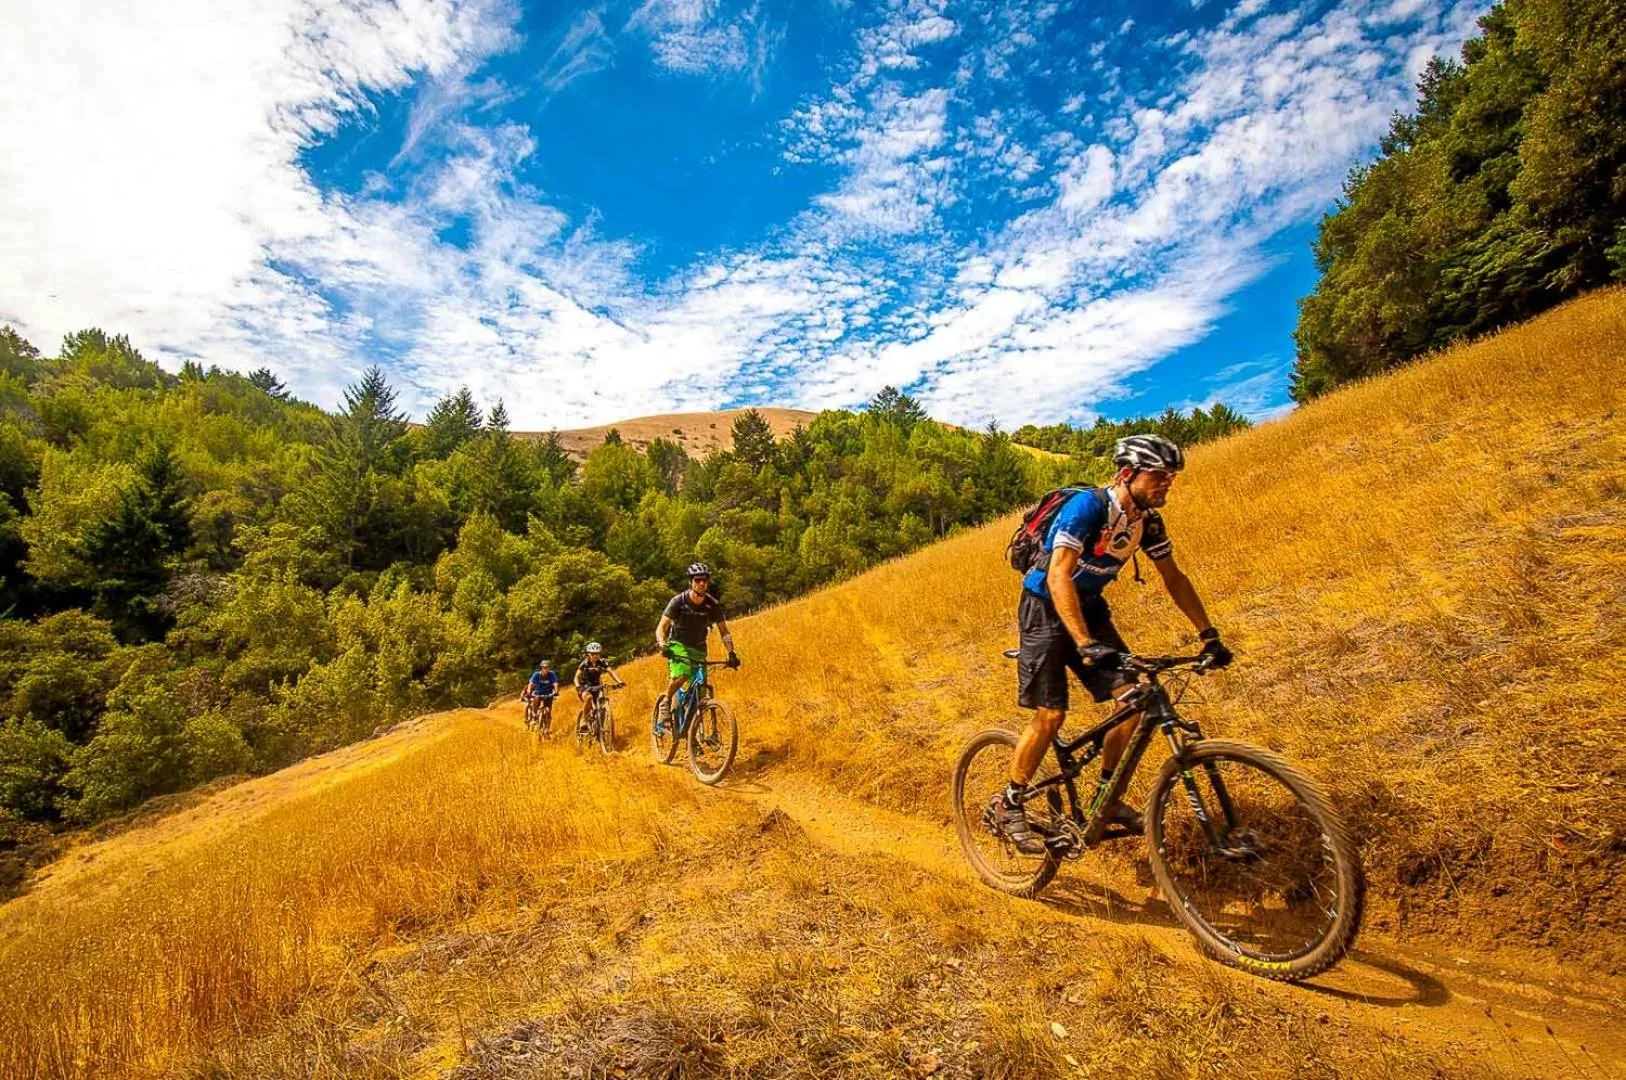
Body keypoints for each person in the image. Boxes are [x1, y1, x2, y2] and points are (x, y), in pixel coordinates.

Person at [995, 434, 1233, 854]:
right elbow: (1057, 576)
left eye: (1171, 478)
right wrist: (1084, 643)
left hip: (1089, 606)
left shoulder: (1147, 522)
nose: (1166, 484)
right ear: (1128, 474)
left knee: (1133, 700)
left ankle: (1105, 798)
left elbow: (1173, 578)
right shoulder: (1087, 508)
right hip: (1044, 608)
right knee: (1051, 715)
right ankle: (1010, 803)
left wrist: (1208, 634)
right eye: (1158, 476)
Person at [654, 563, 738, 732]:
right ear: (691, 582)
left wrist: (731, 653)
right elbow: (661, 627)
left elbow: (724, 631)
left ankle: (692, 734)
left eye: (705, 580)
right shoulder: (679, 601)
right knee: (683, 672)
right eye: (698, 580)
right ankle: (666, 702)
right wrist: (663, 645)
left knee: (700, 691)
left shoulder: (712, 605)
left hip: (699, 648)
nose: (702, 583)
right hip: (678, 645)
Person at [573, 643, 624, 732]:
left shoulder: (602, 663)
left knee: (600, 704)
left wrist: (619, 681)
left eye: (597, 654)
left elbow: (611, 672)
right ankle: (584, 721)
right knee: (589, 698)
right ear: (588, 654)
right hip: (585, 687)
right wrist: (577, 686)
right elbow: (576, 677)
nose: (595, 656)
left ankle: (599, 729)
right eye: (593, 654)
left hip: (597, 687)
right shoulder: (584, 664)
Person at [521, 660, 558, 728]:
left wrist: (556, 691)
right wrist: (529, 692)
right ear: (541, 668)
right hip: (538, 693)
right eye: (544, 667)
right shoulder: (537, 674)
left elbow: (555, 683)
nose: (546, 669)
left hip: (548, 693)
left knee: (548, 711)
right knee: (536, 699)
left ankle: (547, 729)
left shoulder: (552, 674)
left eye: (547, 667)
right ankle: (534, 715)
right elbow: (531, 684)